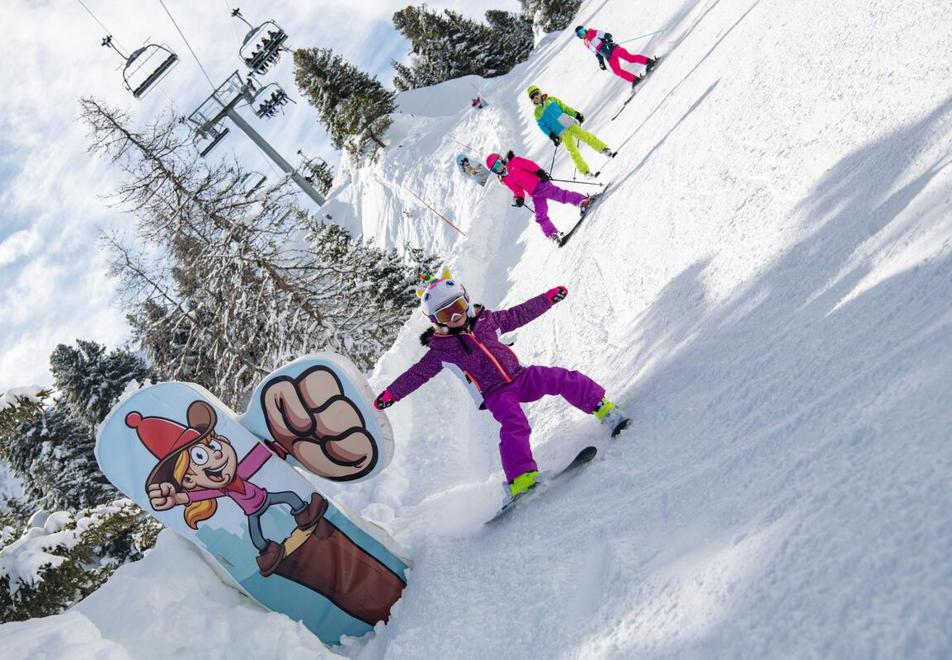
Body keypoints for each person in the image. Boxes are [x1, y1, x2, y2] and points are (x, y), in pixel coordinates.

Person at [373, 269, 630, 498]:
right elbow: (417, 374)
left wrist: (548, 299)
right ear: (435, 320)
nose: (456, 316)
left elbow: (520, 313)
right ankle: (521, 479)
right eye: (446, 314)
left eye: (458, 306)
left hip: (521, 376)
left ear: (467, 300)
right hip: (495, 393)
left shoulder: (488, 321)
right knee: (514, 423)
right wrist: (391, 394)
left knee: (561, 377)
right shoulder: (441, 350)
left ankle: (604, 409)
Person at [486, 151, 589, 244]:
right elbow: (517, 190)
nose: (498, 168)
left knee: (561, 196)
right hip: (535, 194)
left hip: (542, 184)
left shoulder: (514, 162)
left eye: (498, 164)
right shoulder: (505, 179)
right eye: (495, 169)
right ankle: (552, 234)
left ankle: (582, 201)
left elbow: (529, 165)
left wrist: (539, 172)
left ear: (501, 159)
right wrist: (519, 198)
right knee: (540, 216)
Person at [527, 85, 614, 179]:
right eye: (532, 97)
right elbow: (543, 126)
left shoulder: (552, 100)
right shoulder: (537, 112)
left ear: (540, 93)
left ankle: (604, 149)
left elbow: (565, 108)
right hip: (560, 132)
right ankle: (585, 171)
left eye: (536, 94)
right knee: (573, 151)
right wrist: (552, 135)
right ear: (532, 100)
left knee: (586, 137)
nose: (535, 97)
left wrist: (576, 114)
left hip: (569, 123)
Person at [576, 25, 658, 88]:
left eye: (582, 31)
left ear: (585, 29)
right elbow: (597, 54)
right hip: (609, 57)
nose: (582, 34)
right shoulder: (587, 44)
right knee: (617, 71)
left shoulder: (593, 32)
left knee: (630, 58)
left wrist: (609, 42)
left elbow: (608, 35)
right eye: (580, 34)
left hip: (613, 49)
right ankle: (635, 80)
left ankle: (649, 62)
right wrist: (601, 62)